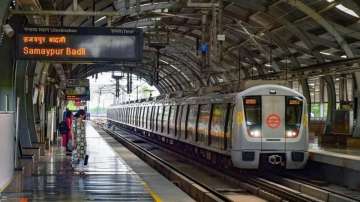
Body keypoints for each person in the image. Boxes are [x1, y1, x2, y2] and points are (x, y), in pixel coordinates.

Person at [73, 109, 87, 175]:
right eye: (84, 114)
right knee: (78, 156)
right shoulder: (75, 122)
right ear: (81, 115)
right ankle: (79, 169)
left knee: (82, 156)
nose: (84, 116)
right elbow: (73, 132)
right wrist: (74, 141)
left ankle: (81, 170)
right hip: (78, 141)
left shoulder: (84, 123)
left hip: (83, 142)